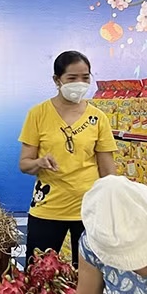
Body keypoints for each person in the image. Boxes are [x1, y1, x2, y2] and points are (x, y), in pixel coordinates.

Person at [18, 51, 116, 266]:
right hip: (48, 209)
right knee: (40, 277)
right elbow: (24, 164)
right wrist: (39, 163)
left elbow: (108, 169)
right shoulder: (38, 114)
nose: (80, 83)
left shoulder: (97, 118)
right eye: (72, 78)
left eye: (85, 77)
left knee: (89, 279)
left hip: (90, 210)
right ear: (57, 80)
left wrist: (114, 202)